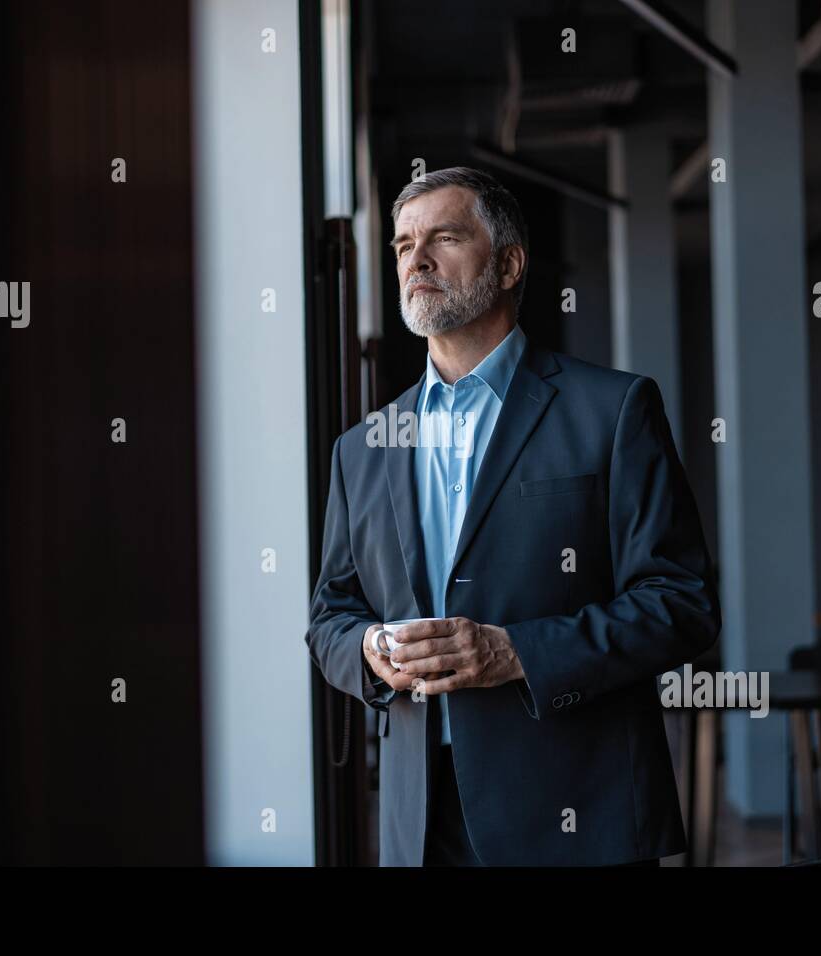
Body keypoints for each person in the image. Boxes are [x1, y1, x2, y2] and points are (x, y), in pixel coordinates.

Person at [306, 167, 720, 866]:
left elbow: (682, 603)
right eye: (403, 244)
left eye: (443, 237)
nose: (417, 259)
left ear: (509, 263)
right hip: (421, 824)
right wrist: (372, 652)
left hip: (580, 816)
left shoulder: (613, 412)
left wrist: (514, 654)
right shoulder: (362, 448)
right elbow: (329, 619)